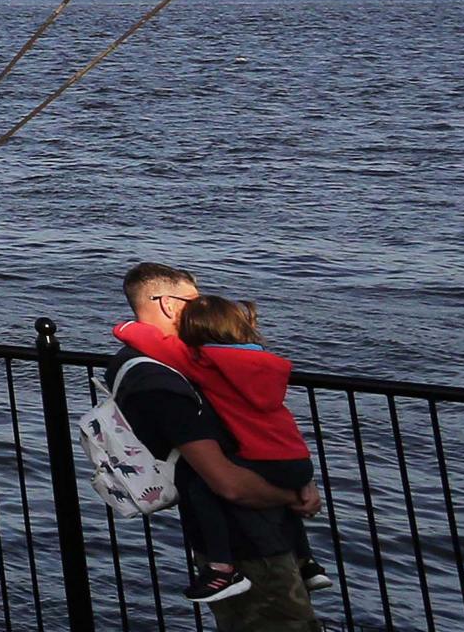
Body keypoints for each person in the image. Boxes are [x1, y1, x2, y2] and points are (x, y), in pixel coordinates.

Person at [112, 264, 325, 627]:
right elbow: (226, 482)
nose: (202, 307)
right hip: (247, 544)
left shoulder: (186, 364)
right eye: (193, 300)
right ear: (169, 305)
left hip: (253, 530)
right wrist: (294, 495)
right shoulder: (157, 377)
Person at [175, 295, 325, 602]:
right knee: (282, 494)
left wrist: (130, 327)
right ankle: (307, 562)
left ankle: (221, 567)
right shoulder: (265, 363)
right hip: (297, 458)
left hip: (264, 458)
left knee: (206, 488)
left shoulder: (207, 364)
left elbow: (155, 346)